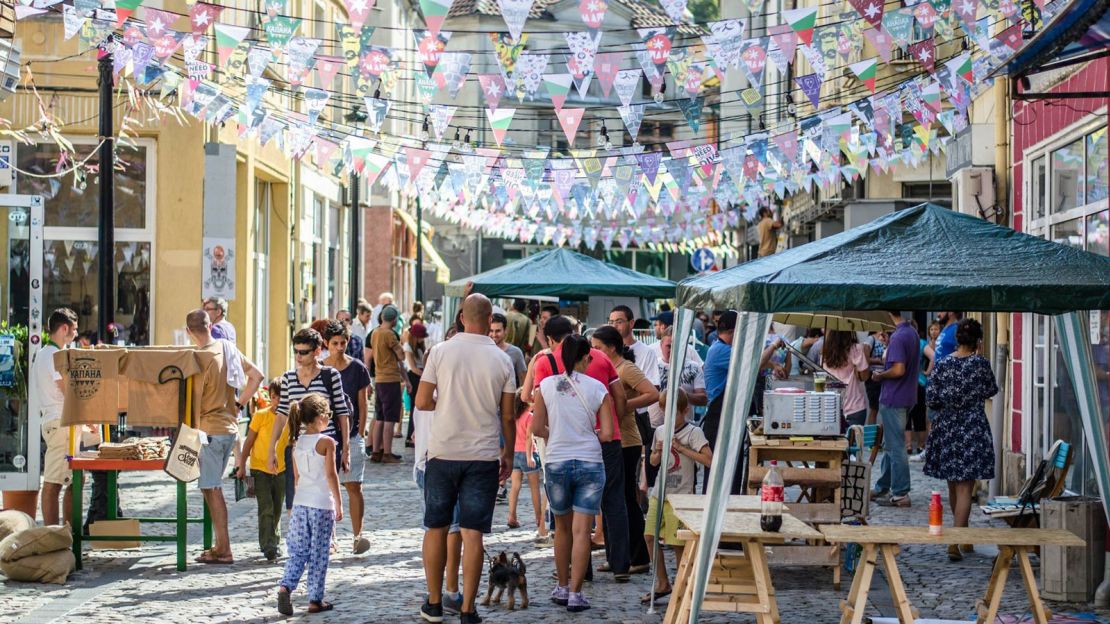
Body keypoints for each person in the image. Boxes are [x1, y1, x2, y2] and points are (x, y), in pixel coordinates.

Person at [415, 293, 517, 624]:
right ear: (490, 321)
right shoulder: (502, 359)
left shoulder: (440, 352)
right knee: (473, 533)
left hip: (443, 451)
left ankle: (433, 603)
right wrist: (509, 454)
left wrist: (443, 406)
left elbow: (421, 401)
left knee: (436, 527)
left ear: (461, 318)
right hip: (483, 454)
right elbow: (508, 417)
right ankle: (468, 609)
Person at [522, 316, 630, 583]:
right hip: (604, 443)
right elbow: (620, 398)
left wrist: (555, 433)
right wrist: (612, 421)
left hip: (561, 449)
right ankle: (620, 565)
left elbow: (536, 413)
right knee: (614, 502)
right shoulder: (601, 359)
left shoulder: (545, 364)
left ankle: (573, 577)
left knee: (565, 524)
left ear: (550, 338)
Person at [531, 334, 615, 613]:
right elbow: (606, 432)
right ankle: (577, 594)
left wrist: (556, 434)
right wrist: (587, 435)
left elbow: (537, 428)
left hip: (557, 460)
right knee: (583, 531)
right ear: (584, 358)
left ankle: (562, 586)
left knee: (561, 529)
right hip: (590, 461)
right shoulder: (598, 389)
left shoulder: (545, 386)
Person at [187, 308, 265, 565]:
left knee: (212, 489)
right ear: (211, 325)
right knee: (211, 488)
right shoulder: (227, 347)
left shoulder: (198, 358)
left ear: (189, 332)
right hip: (230, 429)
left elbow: (191, 401)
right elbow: (257, 376)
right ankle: (219, 545)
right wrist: (240, 403)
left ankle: (224, 549)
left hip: (210, 430)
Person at [924, 318, 998, 561]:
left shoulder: (943, 364)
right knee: (966, 486)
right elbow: (990, 390)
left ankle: (962, 537)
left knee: (954, 484)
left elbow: (932, 398)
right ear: (978, 341)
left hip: (947, 426)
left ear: (957, 340)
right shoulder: (980, 364)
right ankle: (956, 541)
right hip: (971, 426)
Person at [591, 325, 656, 575]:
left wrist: (623, 404)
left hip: (627, 440)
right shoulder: (606, 368)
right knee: (612, 499)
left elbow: (652, 394)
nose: (594, 352)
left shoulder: (626, 368)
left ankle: (638, 556)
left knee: (627, 499)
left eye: (598, 348)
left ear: (612, 348)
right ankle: (618, 555)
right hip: (612, 439)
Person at [643, 388, 711, 606]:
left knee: (677, 543)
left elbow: (709, 460)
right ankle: (663, 582)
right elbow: (653, 462)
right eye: (665, 413)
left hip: (682, 495)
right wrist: (658, 452)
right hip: (660, 492)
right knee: (650, 537)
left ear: (686, 410)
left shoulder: (694, 433)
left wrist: (682, 448)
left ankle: (684, 587)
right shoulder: (660, 431)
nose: (670, 419)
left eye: (675, 414)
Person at [276, 394, 344, 616]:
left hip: (301, 503)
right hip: (321, 504)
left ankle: (286, 585)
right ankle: (315, 599)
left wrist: (296, 503)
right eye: (328, 415)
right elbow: (331, 475)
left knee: (297, 551)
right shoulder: (326, 442)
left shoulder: (296, 443)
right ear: (321, 417)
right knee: (319, 553)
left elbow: (296, 478)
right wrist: (339, 504)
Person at [267, 328, 351, 499]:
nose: (298, 356)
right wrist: (272, 448)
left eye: (304, 352)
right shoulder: (288, 378)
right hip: (298, 446)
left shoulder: (330, 375)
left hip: (324, 446)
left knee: (324, 499)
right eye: (296, 351)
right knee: (295, 501)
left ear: (317, 351)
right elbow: (282, 415)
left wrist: (346, 449)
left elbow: (342, 413)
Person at [321, 320, 372, 555]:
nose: (339, 347)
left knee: (354, 486)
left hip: (352, 434)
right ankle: (330, 537)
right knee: (326, 487)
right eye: (334, 343)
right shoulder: (320, 368)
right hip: (326, 435)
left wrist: (361, 433)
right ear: (326, 344)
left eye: (343, 343)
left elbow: (363, 402)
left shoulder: (358, 368)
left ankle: (357, 536)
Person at [646, 327, 707, 487]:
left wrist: (683, 397)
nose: (672, 350)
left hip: (684, 431)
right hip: (655, 427)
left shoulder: (693, 367)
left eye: (676, 346)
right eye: (668, 346)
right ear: (660, 345)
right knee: (653, 476)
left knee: (685, 477)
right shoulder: (652, 366)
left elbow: (703, 398)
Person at [871, 311, 921, 508]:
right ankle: (883, 485)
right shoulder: (911, 333)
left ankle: (900, 493)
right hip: (906, 396)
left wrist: (880, 376)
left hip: (894, 397)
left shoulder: (899, 337)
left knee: (896, 446)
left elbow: (899, 369)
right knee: (891, 444)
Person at [237, 377, 289, 561]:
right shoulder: (261, 416)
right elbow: (249, 441)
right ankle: (269, 545)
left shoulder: (290, 418)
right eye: (275, 397)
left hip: (282, 469)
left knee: (277, 508)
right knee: (265, 507)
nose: (278, 401)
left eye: (282, 397)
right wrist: (242, 464)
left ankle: (274, 541)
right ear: (270, 397)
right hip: (260, 468)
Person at [35, 308, 78, 526]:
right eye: (74, 329)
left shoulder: (44, 353)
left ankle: (67, 533)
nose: (76, 334)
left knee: (73, 480)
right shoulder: (53, 355)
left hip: (59, 422)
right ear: (64, 328)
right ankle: (53, 534)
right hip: (60, 423)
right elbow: (66, 389)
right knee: (54, 482)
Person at [370, 304, 407, 463]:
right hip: (390, 378)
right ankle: (387, 453)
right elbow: (402, 355)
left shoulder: (375, 333)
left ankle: (376, 451)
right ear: (393, 320)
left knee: (379, 416)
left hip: (379, 378)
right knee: (390, 418)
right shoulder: (389, 334)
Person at [506, 404, 547, 538]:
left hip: (514, 453)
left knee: (515, 486)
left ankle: (511, 516)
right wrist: (529, 456)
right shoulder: (529, 416)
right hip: (527, 453)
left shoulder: (514, 417)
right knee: (534, 488)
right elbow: (529, 436)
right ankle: (538, 519)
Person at [822, 330, 871, 428]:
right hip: (855, 407)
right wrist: (866, 354)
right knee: (853, 442)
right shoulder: (856, 349)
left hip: (830, 407)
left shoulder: (825, 351)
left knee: (834, 443)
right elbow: (864, 377)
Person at [911, 321, 943, 463]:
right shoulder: (925, 342)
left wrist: (927, 372)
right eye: (932, 329)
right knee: (924, 416)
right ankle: (924, 446)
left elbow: (934, 358)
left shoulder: (925, 343)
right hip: (924, 382)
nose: (934, 332)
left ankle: (925, 446)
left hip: (923, 381)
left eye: (936, 329)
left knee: (926, 416)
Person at [608, 305, 661, 386]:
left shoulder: (647, 352)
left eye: (619, 322)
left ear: (631, 323)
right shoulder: (606, 350)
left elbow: (654, 387)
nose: (614, 326)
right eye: (611, 322)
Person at [404, 322, 429, 446]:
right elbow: (413, 368)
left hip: (420, 374)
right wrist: (426, 375)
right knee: (415, 407)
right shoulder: (408, 347)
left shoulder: (420, 347)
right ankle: (410, 436)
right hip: (415, 376)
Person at [490, 313, 527, 385]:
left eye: (498, 331)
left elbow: (523, 380)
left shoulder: (516, 352)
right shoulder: (483, 350)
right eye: (491, 331)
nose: (494, 335)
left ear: (505, 331)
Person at [863, 331, 888, 425]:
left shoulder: (887, 337)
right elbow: (865, 357)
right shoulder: (871, 339)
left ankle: (883, 436)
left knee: (886, 409)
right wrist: (877, 361)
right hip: (873, 377)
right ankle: (871, 436)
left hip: (886, 376)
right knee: (874, 408)